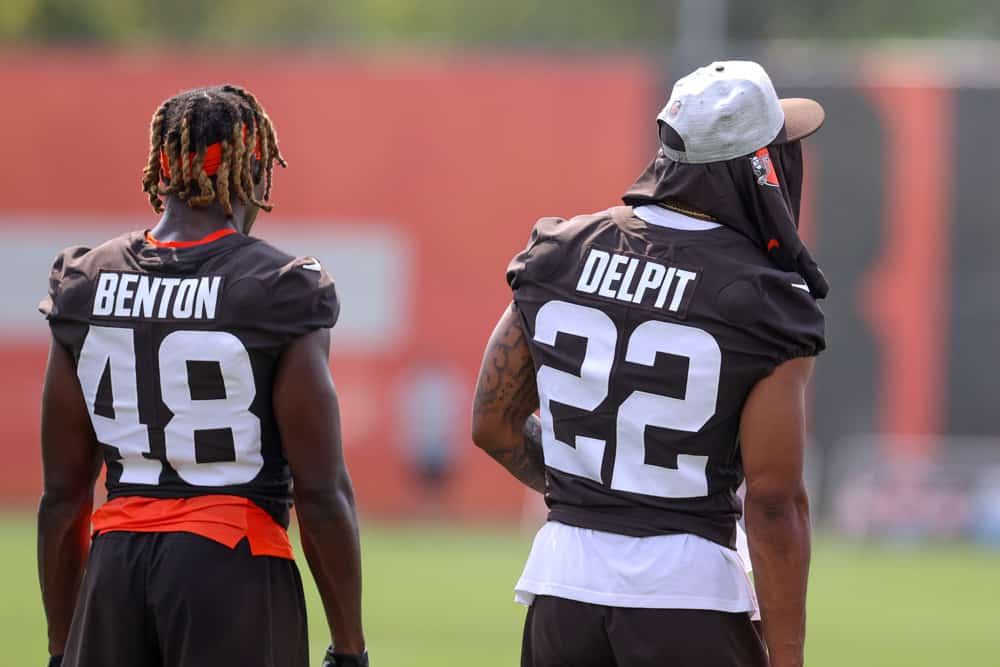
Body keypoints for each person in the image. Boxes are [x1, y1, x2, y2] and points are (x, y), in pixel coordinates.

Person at [472, 61, 827, 667]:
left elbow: (492, 423)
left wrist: (600, 499)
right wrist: (787, 656)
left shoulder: (558, 253)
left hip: (562, 589)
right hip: (689, 598)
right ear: (758, 170)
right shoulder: (765, 302)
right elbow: (773, 502)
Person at [37, 85, 367, 667]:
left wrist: (64, 646)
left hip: (114, 572)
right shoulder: (280, 286)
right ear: (256, 170)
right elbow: (322, 492)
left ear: (161, 167)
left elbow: (63, 500)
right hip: (233, 568)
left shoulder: (85, 283)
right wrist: (349, 647)